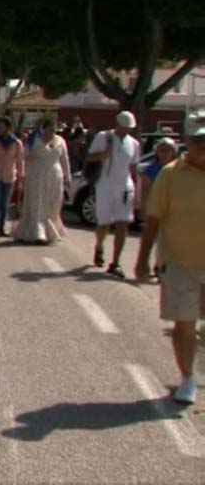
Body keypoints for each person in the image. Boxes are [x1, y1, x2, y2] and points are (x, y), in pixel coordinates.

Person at [134, 108, 205, 405]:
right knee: (185, 323)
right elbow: (154, 220)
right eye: (198, 141)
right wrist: (142, 258)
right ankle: (188, 378)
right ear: (187, 141)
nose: (204, 146)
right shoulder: (170, 175)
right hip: (179, 262)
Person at [86, 111, 142, 278]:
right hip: (105, 186)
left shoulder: (134, 144)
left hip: (125, 188)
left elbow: (133, 168)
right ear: (117, 124)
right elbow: (89, 157)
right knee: (103, 223)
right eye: (124, 127)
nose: (126, 130)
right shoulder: (103, 137)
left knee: (122, 224)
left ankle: (115, 262)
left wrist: (137, 192)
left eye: (129, 128)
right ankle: (99, 246)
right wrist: (103, 154)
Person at [14, 118, 71, 244]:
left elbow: (64, 159)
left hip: (55, 175)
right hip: (37, 175)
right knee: (37, 202)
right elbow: (24, 156)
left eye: (54, 129)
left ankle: (50, 231)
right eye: (50, 129)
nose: (52, 132)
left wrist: (68, 177)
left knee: (53, 202)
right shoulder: (33, 140)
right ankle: (37, 232)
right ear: (43, 129)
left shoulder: (60, 141)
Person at [139, 137, 179, 276]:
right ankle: (158, 264)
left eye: (168, 150)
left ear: (173, 152)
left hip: (175, 209)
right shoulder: (151, 169)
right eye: (161, 150)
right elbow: (145, 190)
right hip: (156, 208)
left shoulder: (180, 169)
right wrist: (143, 207)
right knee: (158, 238)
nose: (164, 153)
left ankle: (162, 264)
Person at [0, 117, 25, 240]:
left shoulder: (16, 143)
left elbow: (20, 161)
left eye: (1, 126)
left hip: (9, 176)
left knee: (4, 203)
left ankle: (2, 227)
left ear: (8, 128)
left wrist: (21, 175)